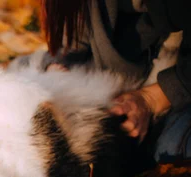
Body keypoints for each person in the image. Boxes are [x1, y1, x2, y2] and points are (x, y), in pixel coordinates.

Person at [30, 0, 190, 162]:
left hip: (178, 71)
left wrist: (152, 98)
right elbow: (75, 29)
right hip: (116, 70)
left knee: (172, 148)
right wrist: (57, 67)